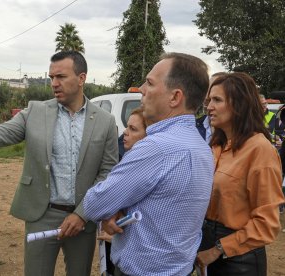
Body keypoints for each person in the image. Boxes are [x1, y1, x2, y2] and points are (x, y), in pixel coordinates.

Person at [0, 51, 118, 276]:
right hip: (41, 215)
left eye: (61, 77)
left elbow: (108, 172)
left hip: (83, 218)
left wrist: (82, 214)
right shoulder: (35, 111)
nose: (54, 83)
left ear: (81, 78)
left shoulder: (105, 121)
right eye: (51, 77)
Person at [83, 52, 214, 275]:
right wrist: (121, 208)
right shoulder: (201, 146)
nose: (142, 89)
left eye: (150, 83)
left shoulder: (156, 148)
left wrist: (111, 209)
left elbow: (95, 204)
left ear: (175, 97)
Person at [195, 72, 285, 276]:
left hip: (240, 262)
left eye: (217, 100)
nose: (208, 107)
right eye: (209, 100)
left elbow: (267, 224)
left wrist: (219, 249)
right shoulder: (217, 146)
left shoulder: (260, 150)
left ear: (239, 105)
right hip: (209, 251)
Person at [98, 107, 147, 275]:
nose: (125, 133)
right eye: (127, 126)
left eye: (133, 129)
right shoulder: (126, 158)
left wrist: (116, 237)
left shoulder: (141, 169)